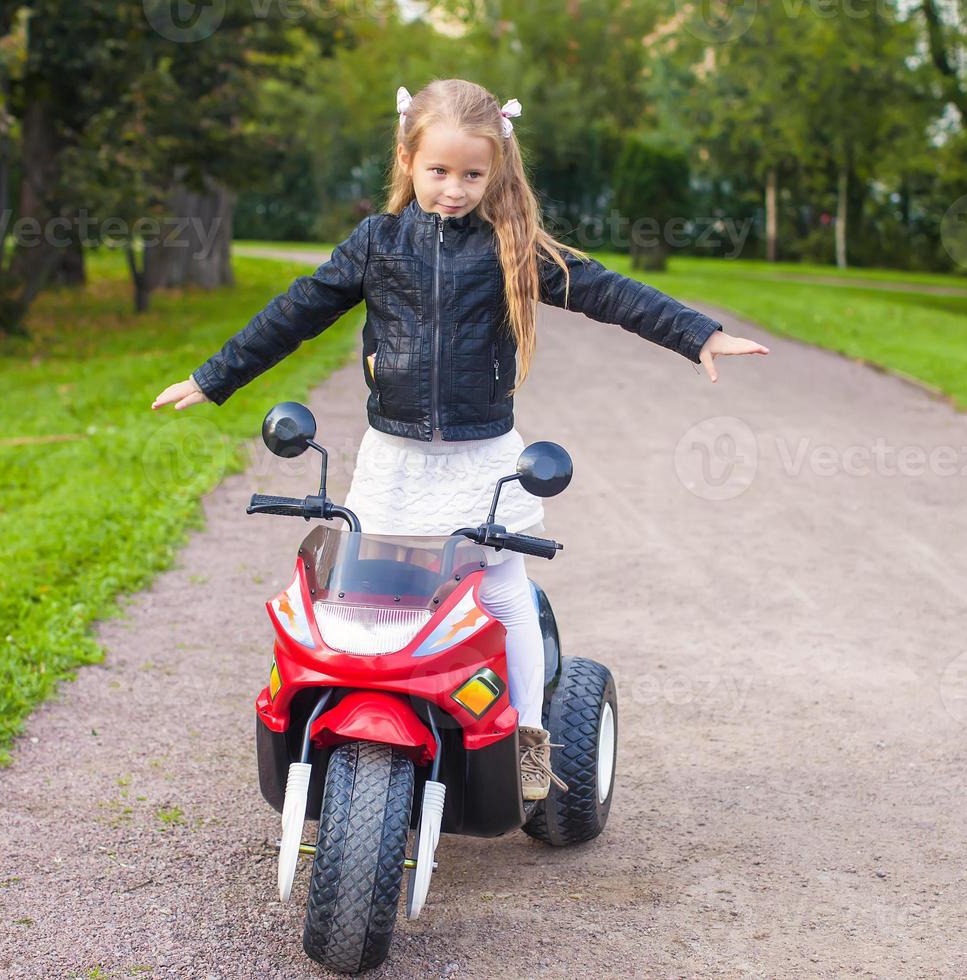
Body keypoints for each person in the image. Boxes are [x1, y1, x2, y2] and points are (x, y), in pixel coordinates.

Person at [151, 78, 769, 801]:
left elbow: (608, 291)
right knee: (371, 603)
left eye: (472, 174)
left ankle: (528, 736)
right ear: (408, 160)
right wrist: (215, 377)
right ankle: (355, 729)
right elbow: (297, 311)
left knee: (503, 592)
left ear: (495, 171)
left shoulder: (511, 247)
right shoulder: (376, 243)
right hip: (396, 462)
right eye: (439, 171)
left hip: (482, 459)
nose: (454, 188)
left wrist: (700, 334)